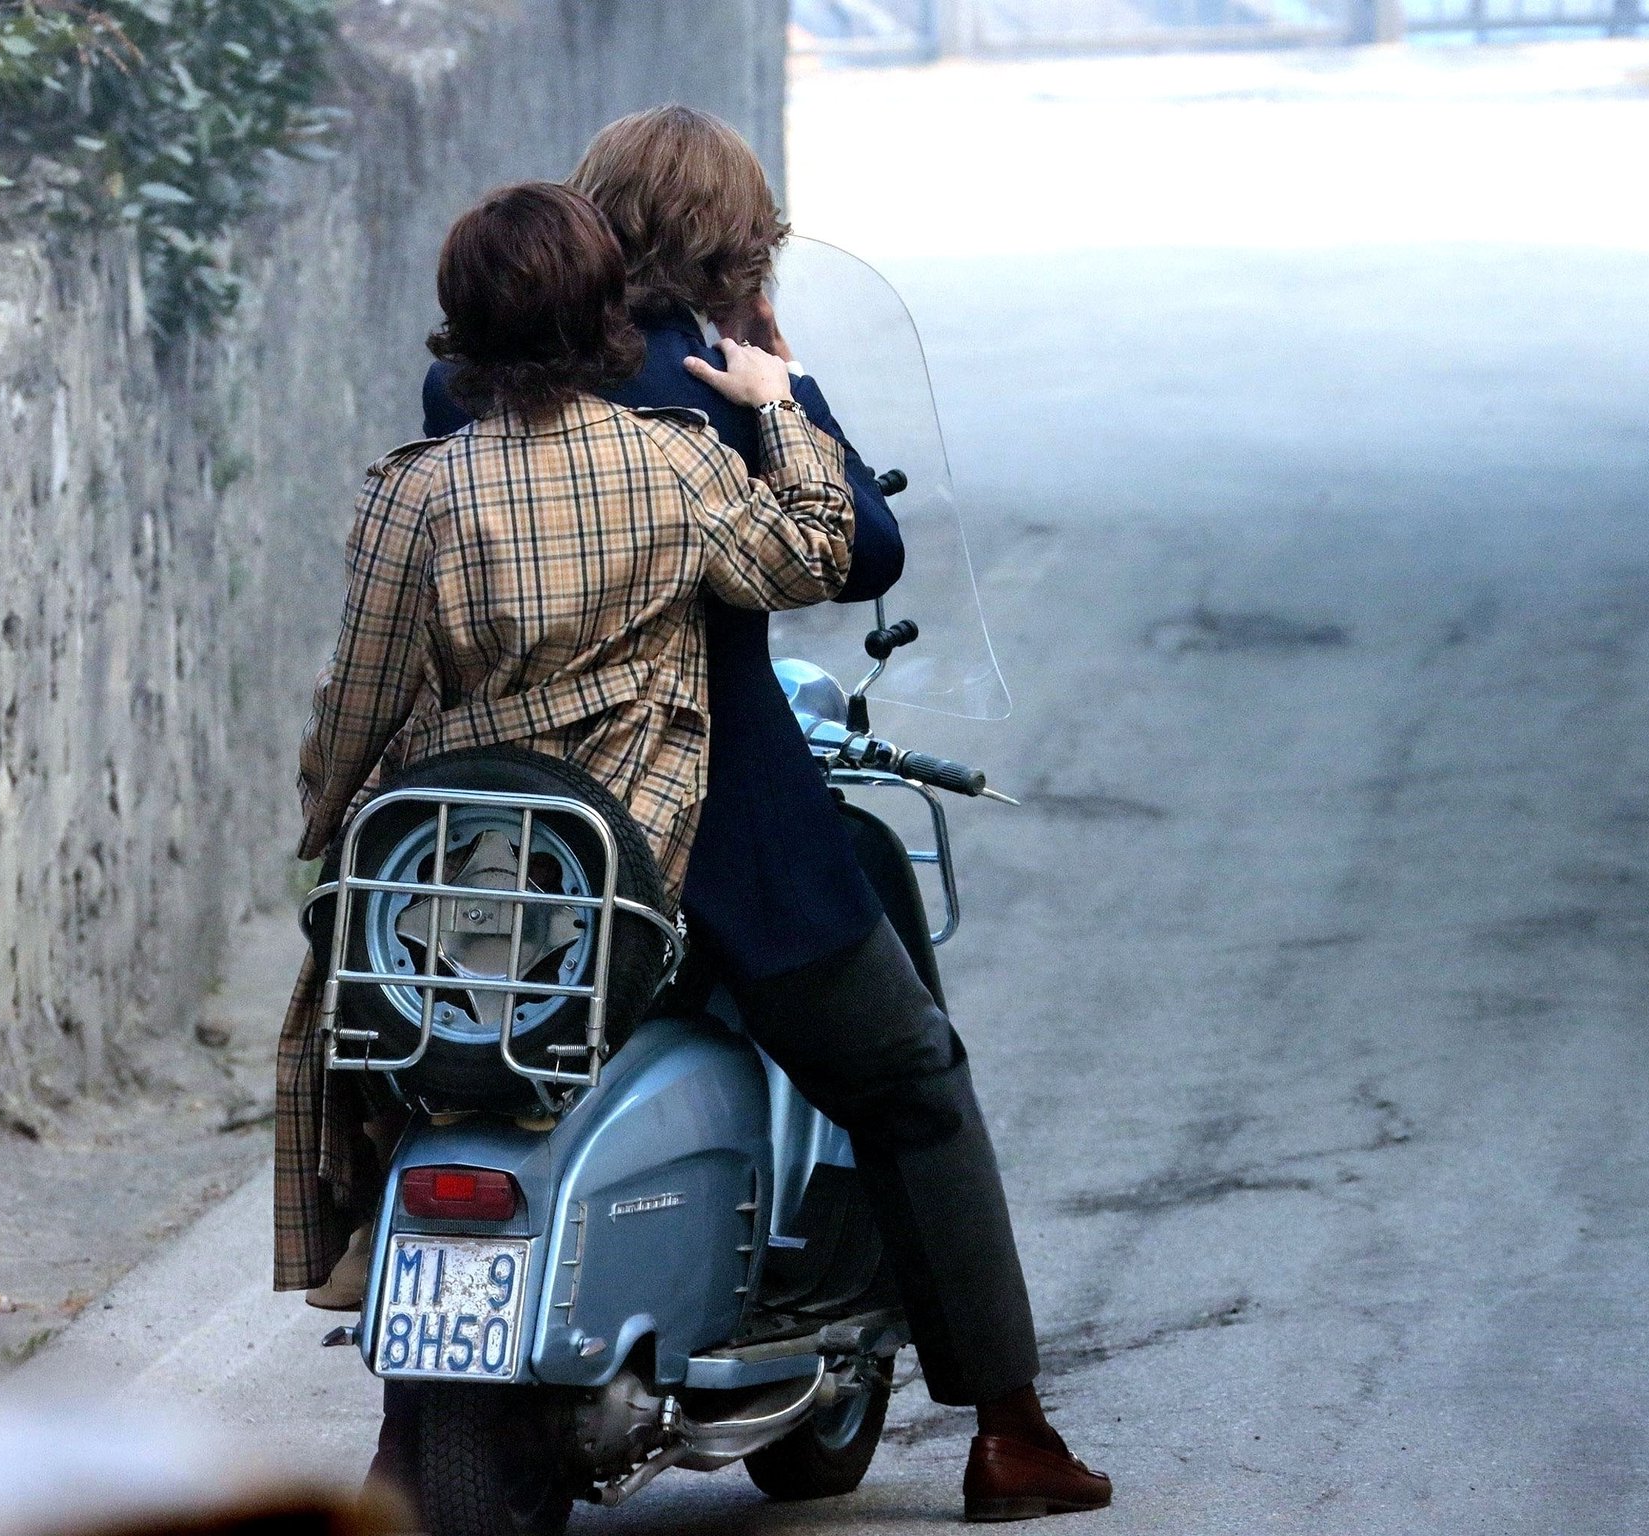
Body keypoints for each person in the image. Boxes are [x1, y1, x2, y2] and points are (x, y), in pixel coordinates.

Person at [424, 107, 1112, 1522]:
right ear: (744, 248)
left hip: (529, 843)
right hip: (724, 848)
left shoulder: (473, 390)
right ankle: (1010, 1429)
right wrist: (779, 391)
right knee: (912, 1085)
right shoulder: (713, 387)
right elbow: (863, 548)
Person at [271, 179, 856, 1488]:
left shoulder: (414, 494)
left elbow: (355, 709)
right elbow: (820, 553)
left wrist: (327, 830)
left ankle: (384, 1309)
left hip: (457, 874)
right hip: (626, 877)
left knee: (369, 1016)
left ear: (460, 324)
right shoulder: (674, 462)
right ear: (605, 317)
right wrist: (785, 406)